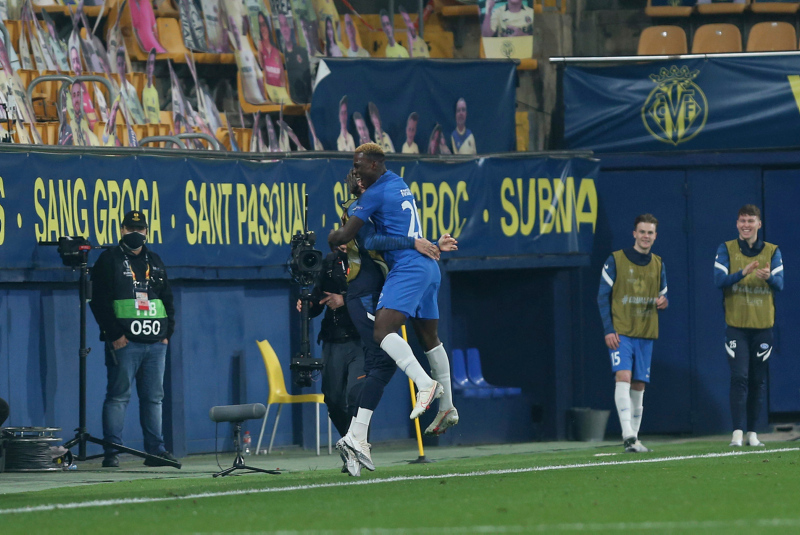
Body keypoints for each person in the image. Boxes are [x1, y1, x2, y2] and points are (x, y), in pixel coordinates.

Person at [328, 143, 459, 474]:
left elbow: (358, 237)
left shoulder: (368, 199)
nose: (355, 173)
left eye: (358, 167)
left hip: (396, 277)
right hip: (423, 267)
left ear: (372, 167)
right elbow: (387, 236)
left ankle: (425, 385)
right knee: (425, 339)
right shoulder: (397, 182)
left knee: (383, 348)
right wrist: (420, 241)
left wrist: (333, 236)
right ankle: (443, 406)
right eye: (353, 171)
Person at [89, 210, 178, 468]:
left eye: (140, 229)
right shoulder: (109, 260)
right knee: (118, 396)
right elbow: (99, 301)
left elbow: (168, 300)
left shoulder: (156, 260)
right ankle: (112, 452)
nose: (135, 233)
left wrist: (167, 333)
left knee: (153, 398)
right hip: (124, 343)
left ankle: (156, 451)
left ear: (147, 231)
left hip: (155, 344)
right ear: (122, 230)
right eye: (131, 228)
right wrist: (114, 334)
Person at [714, 204, 784, 447]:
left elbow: (781, 284)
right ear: (737, 223)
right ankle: (736, 433)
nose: (746, 225)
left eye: (751, 221)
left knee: (757, 380)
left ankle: (753, 433)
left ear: (759, 224)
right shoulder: (726, 249)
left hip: (763, 326)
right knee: (739, 377)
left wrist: (770, 278)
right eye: (742, 220)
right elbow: (718, 280)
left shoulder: (773, 251)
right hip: (736, 326)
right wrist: (742, 272)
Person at [597, 213, 668, 453]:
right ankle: (627, 433)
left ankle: (634, 439)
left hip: (646, 331)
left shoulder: (658, 263)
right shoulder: (616, 259)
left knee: (639, 384)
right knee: (623, 377)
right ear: (634, 233)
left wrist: (663, 302)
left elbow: (663, 295)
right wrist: (609, 329)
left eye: (650, 232)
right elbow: (602, 296)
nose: (646, 236)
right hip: (622, 331)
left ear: (655, 236)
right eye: (642, 231)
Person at [297, 249, 365, 442]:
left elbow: (376, 294)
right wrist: (308, 306)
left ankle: (359, 445)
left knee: (356, 396)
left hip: (360, 340)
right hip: (333, 340)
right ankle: (351, 443)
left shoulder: (369, 261)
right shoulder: (328, 264)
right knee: (333, 400)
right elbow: (319, 298)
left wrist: (345, 299)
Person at [257, 12, 293, 104]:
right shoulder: (260, 47)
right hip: (268, 95)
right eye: (260, 25)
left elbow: (282, 78)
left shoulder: (276, 50)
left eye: (264, 25)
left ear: (268, 26)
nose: (262, 28)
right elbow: (261, 69)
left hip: (280, 96)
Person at [142, 48, 160, 124]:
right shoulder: (141, 90)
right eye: (149, 63)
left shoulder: (155, 92)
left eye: (152, 64)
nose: (150, 67)